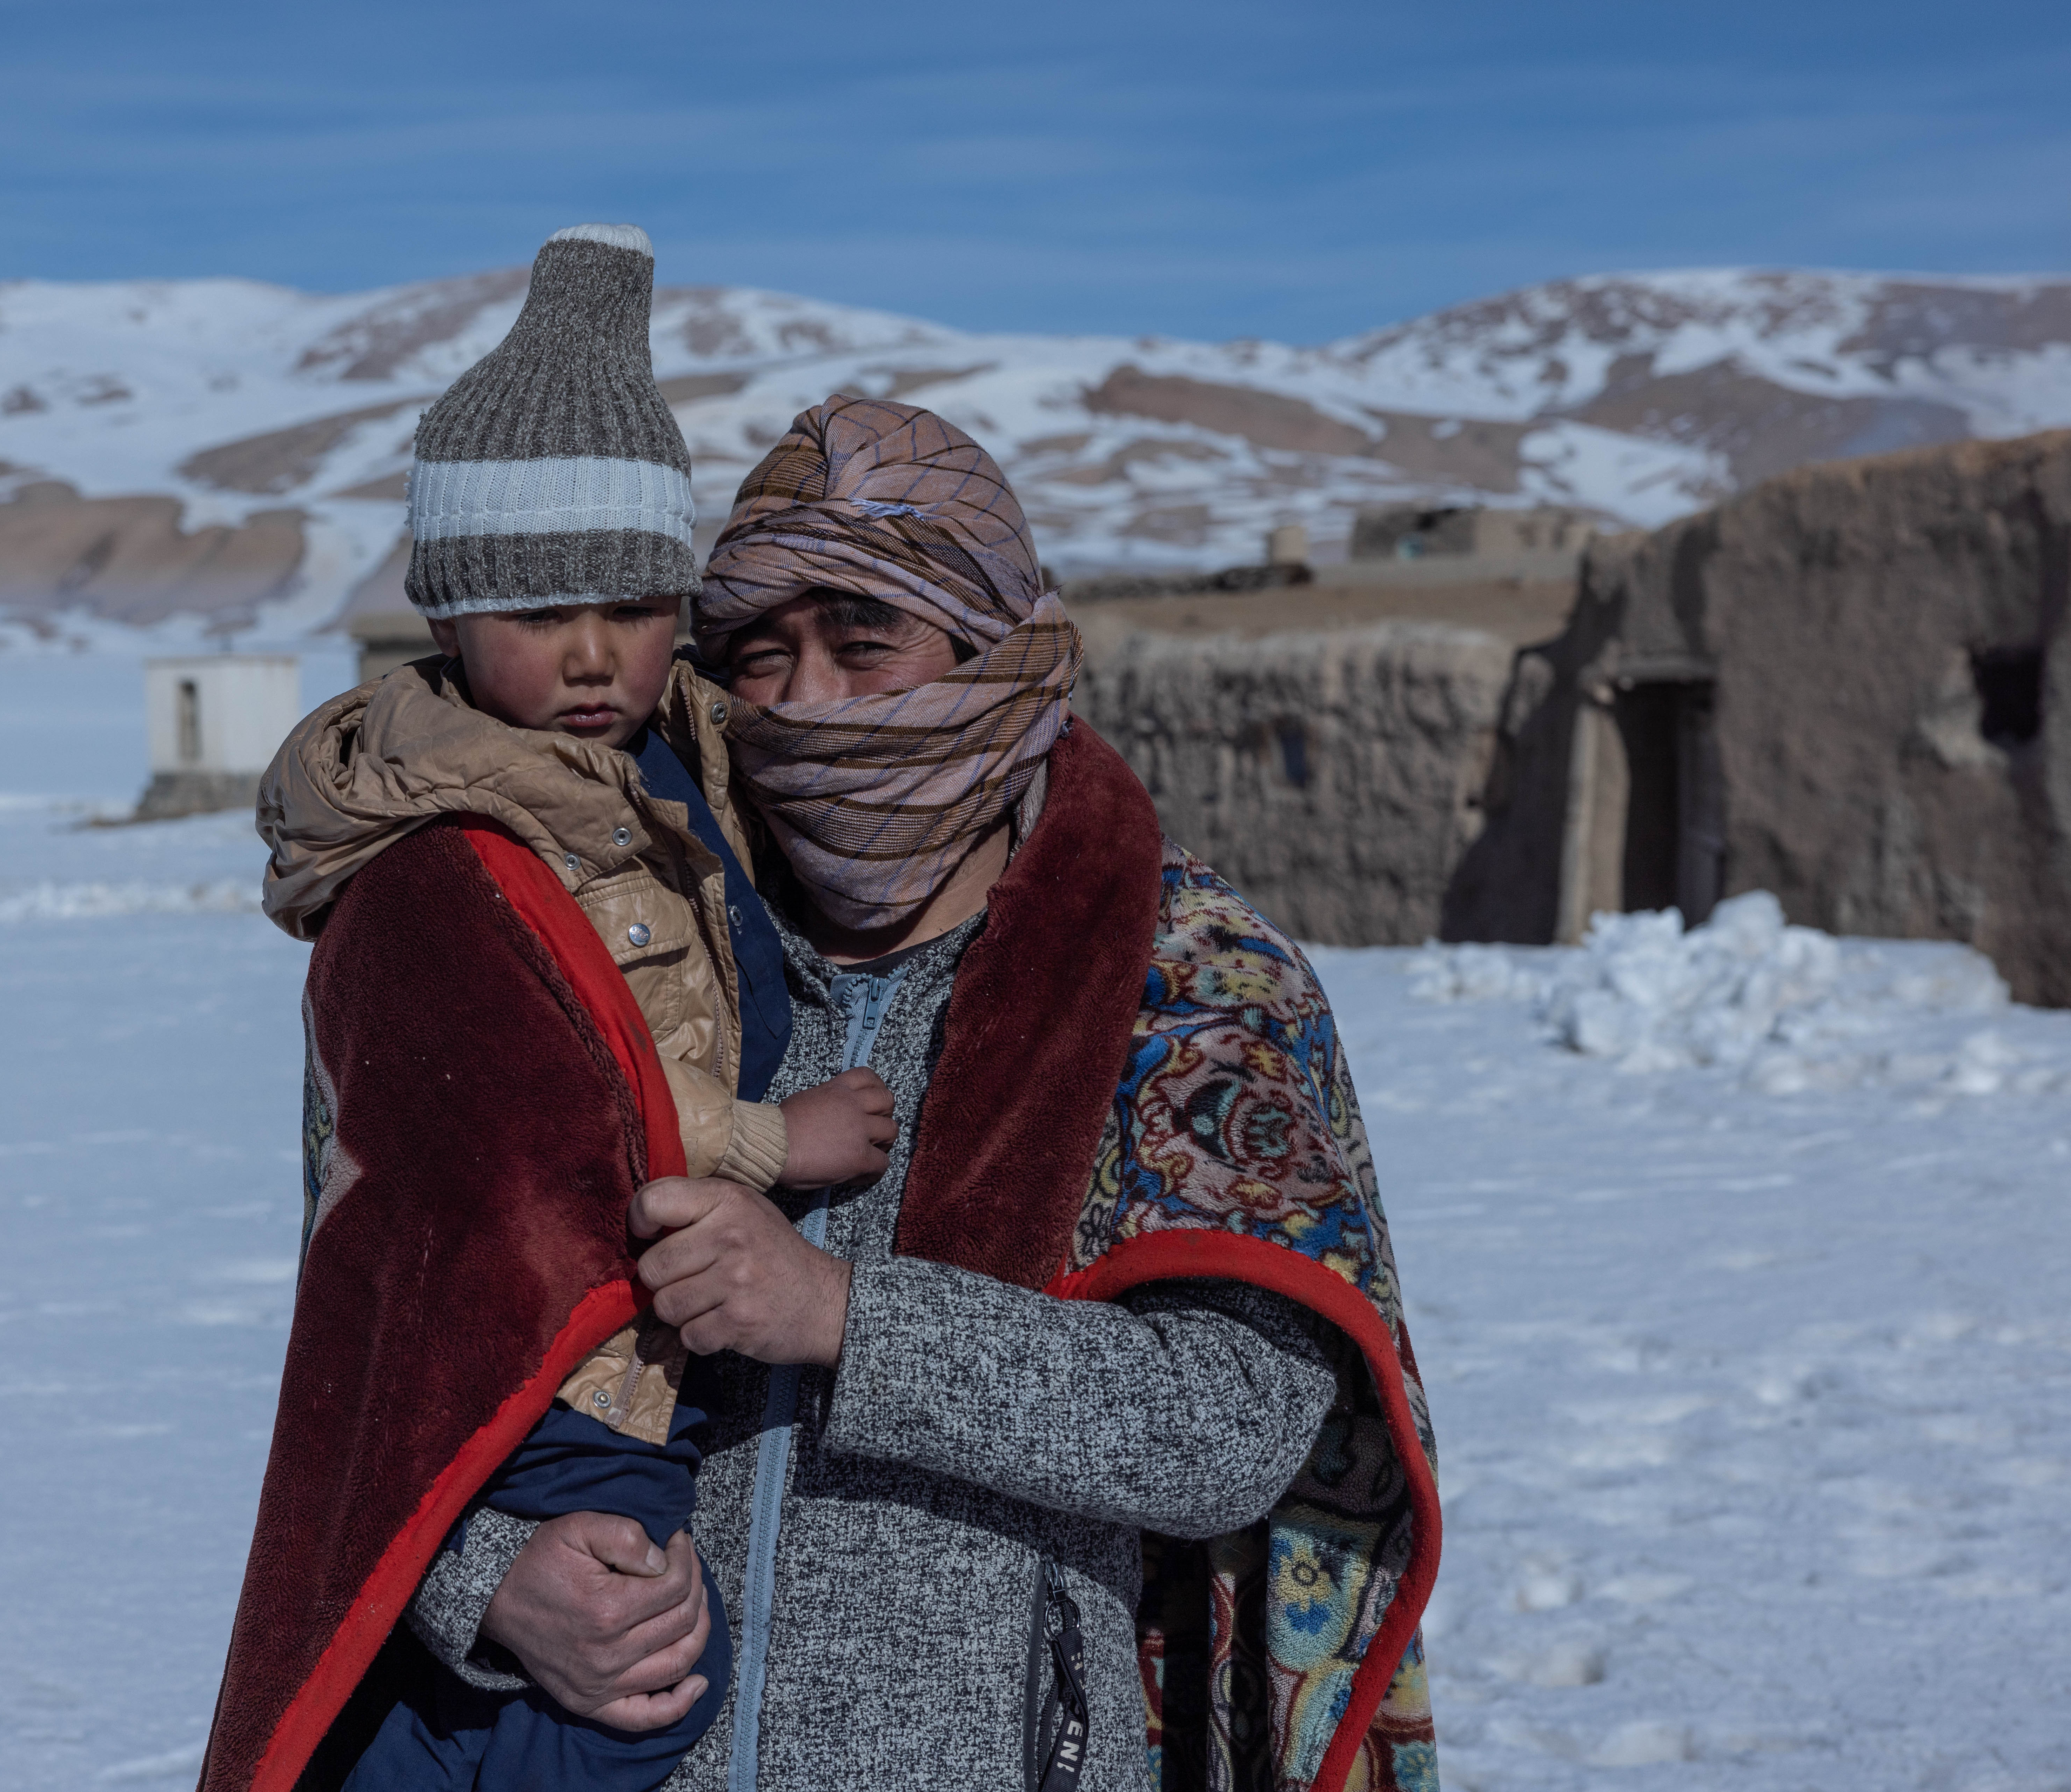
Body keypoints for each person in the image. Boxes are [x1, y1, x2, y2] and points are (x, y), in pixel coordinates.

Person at [408, 399, 1448, 1792]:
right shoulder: (613, 946)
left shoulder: (1179, 977)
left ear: (989, 645)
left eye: (864, 642)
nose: (807, 701)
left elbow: (1235, 1423)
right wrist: (484, 1580)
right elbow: (385, 1356)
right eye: (758, 654)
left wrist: (843, 1315)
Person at [202, 227, 894, 1792]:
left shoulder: (691, 769)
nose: (593, 655)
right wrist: (772, 1141)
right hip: (558, 1368)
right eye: (535, 610)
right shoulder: (446, 858)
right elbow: (534, 1121)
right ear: (448, 619)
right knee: (619, 1688)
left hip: (641, 1369)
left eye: (635, 602)